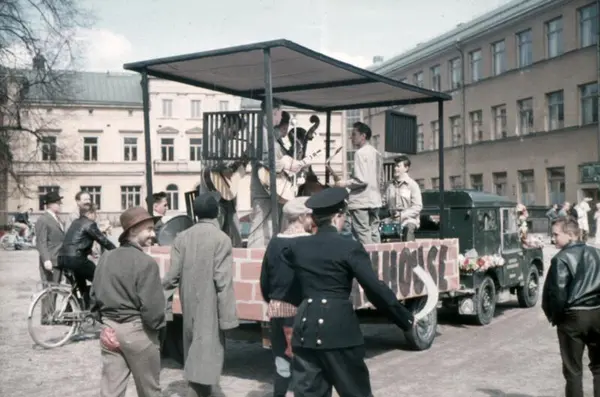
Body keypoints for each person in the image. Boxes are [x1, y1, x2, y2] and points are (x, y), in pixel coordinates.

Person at [283, 187, 414, 397]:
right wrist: (404, 318)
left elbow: (290, 290)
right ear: (337, 217)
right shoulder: (349, 247)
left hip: (305, 329)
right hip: (339, 329)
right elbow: (374, 288)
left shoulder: (297, 247)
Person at [162, 192, 238, 397]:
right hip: (210, 309)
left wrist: (163, 307)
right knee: (206, 364)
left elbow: (171, 277)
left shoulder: (181, 238)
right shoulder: (221, 239)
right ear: (217, 213)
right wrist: (228, 320)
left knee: (196, 358)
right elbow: (223, 282)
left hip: (189, 308)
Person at [91, 206, 166, 397]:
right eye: (148, 229)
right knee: (150, 391)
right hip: (138, 331)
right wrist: (157, 330)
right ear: (132, 231)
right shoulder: (145, 262)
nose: (153, 235)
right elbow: (153, 309)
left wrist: (107, 323)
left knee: (110, 391)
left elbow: (93, 297)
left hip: (109, 331)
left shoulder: (106, 258)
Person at [260, 196, 313, 397]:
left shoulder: (275, 242)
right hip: (300, 312)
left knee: (281, 361)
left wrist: (273, 300)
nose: (311, 220)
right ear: (301, 217)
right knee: (304, 363)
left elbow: (265, 279)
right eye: (309, 216)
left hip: (276, 310)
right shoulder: (308, 243)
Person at [542, 216, 600, 397]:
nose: (553, 238)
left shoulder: (561, 259)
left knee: (573, 370)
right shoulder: (597, 253)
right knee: (599, 367)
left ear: (570, 234)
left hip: (573, 317)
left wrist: (555, 317)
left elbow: (556, 294)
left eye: (556, 234)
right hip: (598, 313)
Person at [247, 98, 303, 248]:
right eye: (280, 113)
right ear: (275, 112)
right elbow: (265, 159)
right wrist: (286, 164)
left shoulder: (267, 133)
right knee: (260, 229)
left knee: (270, 228)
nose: (280, 117)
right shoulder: (262, 132)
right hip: (263, 189)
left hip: (271, 189)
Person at [332, 122, 382, 245]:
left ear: (363, 136)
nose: (351, 137)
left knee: (363, 234)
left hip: (361, 201)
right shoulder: (377, 153)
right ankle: (378, 261)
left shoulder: (360, 153)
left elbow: (361, 180)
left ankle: (369, 260)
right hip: (375, 200)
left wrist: (343, 183)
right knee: (374, 232)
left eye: (354, 134)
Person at [58, 204, 116, 309]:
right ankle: (98, 307)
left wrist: (88, 251)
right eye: (95, 213)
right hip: (76, 259)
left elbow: (76, 240)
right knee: (98, 278)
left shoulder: (76, 222)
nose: (96, 216)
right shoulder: (89, 224)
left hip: (63, 258)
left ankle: (80, 312)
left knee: (80, 286)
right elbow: (102, 240)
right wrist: (117, 251)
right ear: (90, 213)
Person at [34, 191, 65, 321]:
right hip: (50, 259)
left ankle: (50, 314)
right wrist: (46, 259)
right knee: (48, 288)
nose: (60, 205)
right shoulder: (43, 219)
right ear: (51, 204)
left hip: (58, 258)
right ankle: (46, 316)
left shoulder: (56, 218)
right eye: (58, 203)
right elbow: (41, 241)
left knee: (55, 287)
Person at [384, 155, 423, 241]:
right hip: (392, 220)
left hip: (409, 220)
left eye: (398, 166)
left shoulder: (413, 185)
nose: (395, 168)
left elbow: (417, 206)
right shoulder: (389, 185)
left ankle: (410, 252)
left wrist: (402, 215)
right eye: (395, 166)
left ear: (406, 168)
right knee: (377, 229)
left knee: (408, 229)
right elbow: (384, 202)